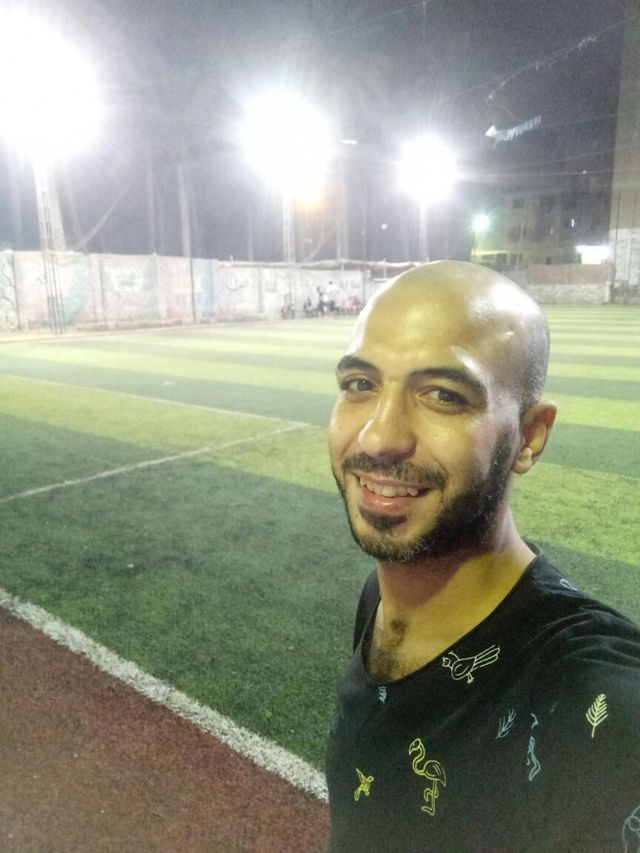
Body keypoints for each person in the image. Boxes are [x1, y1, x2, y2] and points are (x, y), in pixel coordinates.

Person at [326, 261, 640, 852]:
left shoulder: (590, 697)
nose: (378, 437)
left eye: (443, 395)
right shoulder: (384, 595)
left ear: (530, 437)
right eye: (360, 384)